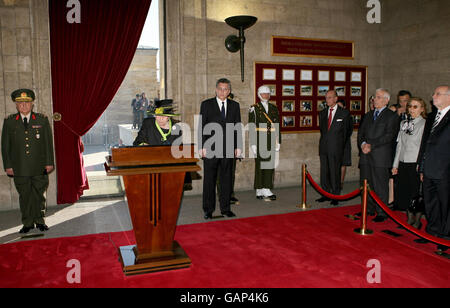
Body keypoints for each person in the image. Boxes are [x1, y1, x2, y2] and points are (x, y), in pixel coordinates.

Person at [1, 89, 55, 234]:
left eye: (26, 102)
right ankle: (27, 223)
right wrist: (8, 166)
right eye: (20, 103)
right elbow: (5, 147)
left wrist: (49, 162)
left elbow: (48, 144)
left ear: (32, 104)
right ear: (16, 105)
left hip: (39, 166)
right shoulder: (9, 122)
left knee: (39, 195)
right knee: (25, 196)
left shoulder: (41, 120)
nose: (23, 106)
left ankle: (40, 221)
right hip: (19, 168)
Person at [199, 78, 242, 219]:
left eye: (225, 89)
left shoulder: (235, 106)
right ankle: (208, 209)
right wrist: (201, 146)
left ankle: (225, 208)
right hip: (210, 148)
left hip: (229, 148)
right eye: (220, 88)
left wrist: (238, 147)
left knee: (226, 180)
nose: (222, 91)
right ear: (216, 89)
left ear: (229, 91)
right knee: (209, 180)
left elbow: (237, 127)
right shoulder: (206, 105)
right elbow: (201, 127)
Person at [358, 88, 400, 222]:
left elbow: (389, 136)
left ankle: (382, 211)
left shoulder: (391, 116)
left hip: (380, 156)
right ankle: (368, 208)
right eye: (374, 97)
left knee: (380, 185)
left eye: (378, 97)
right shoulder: (368, 115)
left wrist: (371, 145)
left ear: (386, 100)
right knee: (366, 182)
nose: (374, 99)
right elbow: (360, 133)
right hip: (365, 155)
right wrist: (363, 143)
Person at [418, 86, 450, 250]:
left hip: (445, 170)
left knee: (445, 204)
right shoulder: (431, 117)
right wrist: (421, 167)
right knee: (430, 202)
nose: (433, 96)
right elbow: (425, 143)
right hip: (429, 168)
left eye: (437, 94)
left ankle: (445, 237)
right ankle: (432, 231)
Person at [392, 97, 427, 226]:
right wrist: (395, 164)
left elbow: (423, 148)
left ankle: (417, 221)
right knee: (405, 191)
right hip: (403, 162)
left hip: (415, 163)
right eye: (410, 106)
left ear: (422, 109)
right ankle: (409, 219)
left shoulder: (424, 124)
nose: (412, 109)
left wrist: (421, 165)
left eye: (415, 107)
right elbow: (399, 145)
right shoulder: (403, 123)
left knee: (415, 193)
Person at [317, 91, 352, 206]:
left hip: (337, 148)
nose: (327, 100)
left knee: (335, 172)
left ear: (336, 98)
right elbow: (323, 130)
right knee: (325, 171)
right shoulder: (322, 113)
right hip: (324, 147)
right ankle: (325, 194)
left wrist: (339, 145)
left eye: (330, 98)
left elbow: (347, 132)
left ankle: (335, 195)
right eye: (326, 98)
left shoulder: (344, 113)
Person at [248, 85, 281, 201]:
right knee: (260, 165)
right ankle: (259, 189)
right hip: (259, 138)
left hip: (271, 139)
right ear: (258, 94)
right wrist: (253, 144)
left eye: (267, 93)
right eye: (263, 93)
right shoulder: (254, 108)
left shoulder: (273, 108)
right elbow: (252, 126)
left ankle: (267, 187)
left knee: (269, 165)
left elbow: (277, 125)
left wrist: (278, 141)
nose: (266, 95)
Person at [337, 99, 352, 189]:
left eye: (340, 106)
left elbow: (349, 130)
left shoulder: (347, 116)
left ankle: (341, 182)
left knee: (343, 163)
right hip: (335, 144)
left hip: (344, 143)